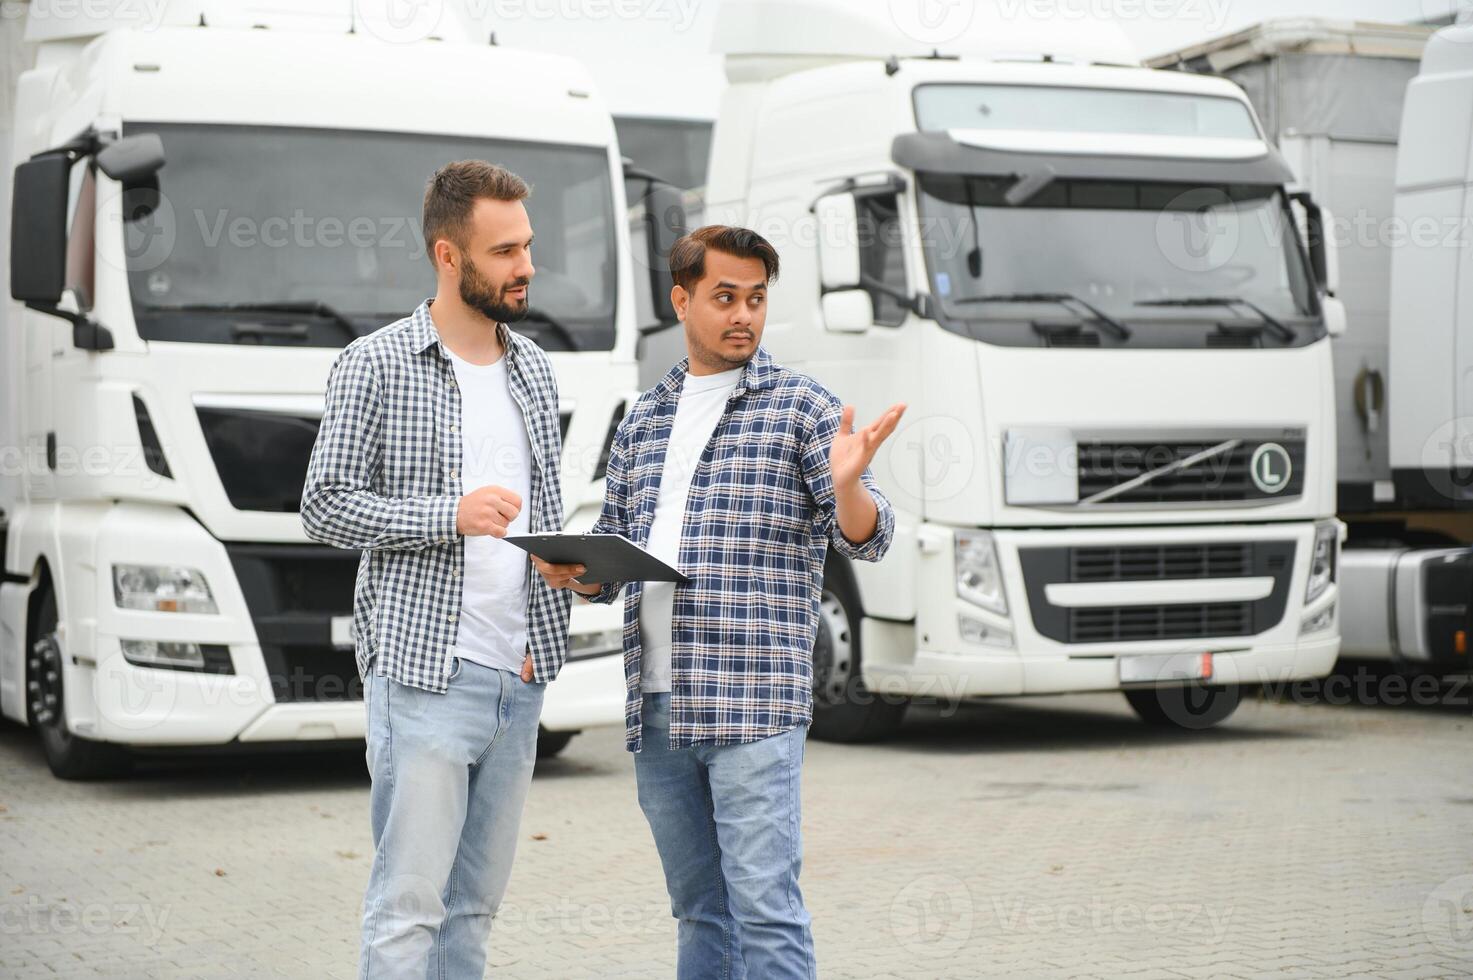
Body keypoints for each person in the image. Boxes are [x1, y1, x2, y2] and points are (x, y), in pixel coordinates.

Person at [532, 224, 905, 979]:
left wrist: (847, 484)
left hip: (752, 705)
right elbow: (619, 540)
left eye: (756, 299)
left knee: (764, 908)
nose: (743, 315)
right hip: (659, 707)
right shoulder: (645, 419)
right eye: (724, 297)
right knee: (699, 909)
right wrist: (582, 571)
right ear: (682, 300)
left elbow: (868, 537)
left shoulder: (801, 409)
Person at [301, 160, 571, 979]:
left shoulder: (533, 369)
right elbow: (323, 506)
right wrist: (444, 515)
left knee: (472, 918)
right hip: (424, 678)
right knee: (406, 914)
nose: (525, 266)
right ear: (449, 257)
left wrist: (568, 582)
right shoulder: (374, 364)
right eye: (504, 251)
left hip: (516, 679)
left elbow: (540, 520)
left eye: (527, 246)